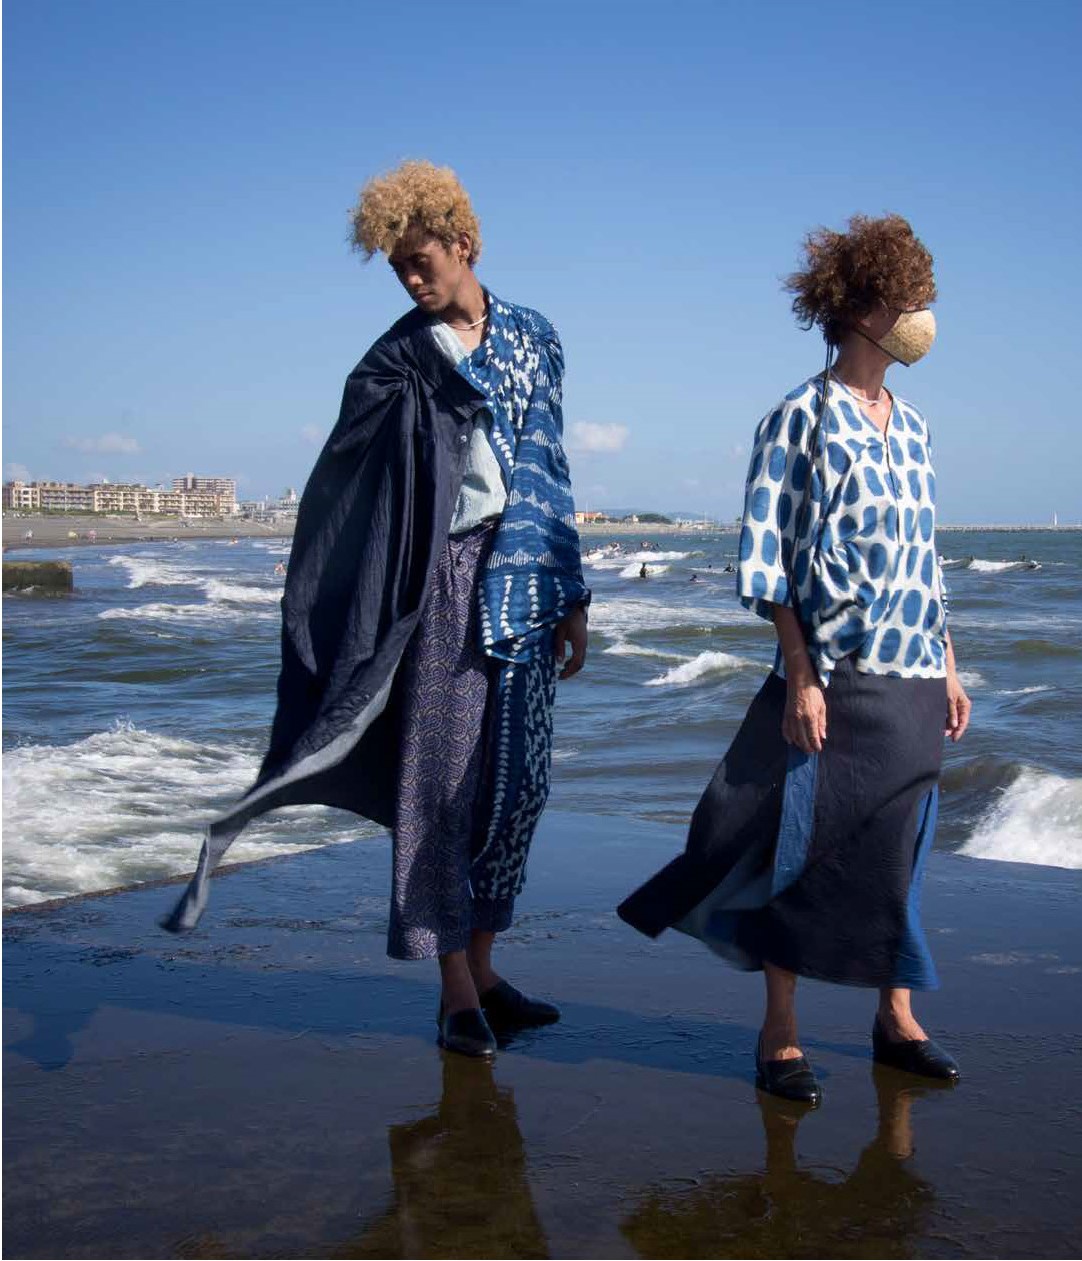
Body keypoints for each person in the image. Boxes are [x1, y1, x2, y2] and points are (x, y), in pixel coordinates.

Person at [164, 160, 590, 1060]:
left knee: (517, 787)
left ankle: (487, 968)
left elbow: (551, 466)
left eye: (419, 261)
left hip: (524, 583)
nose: (409, 279)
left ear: (464, 244)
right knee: (438, 784)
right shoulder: (399, 357)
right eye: (397, 267)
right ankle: (454, 992)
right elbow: (348, 481)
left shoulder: (537, 337)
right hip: (440, 579)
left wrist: (572, 593)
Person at [620, 214, 971, 1104]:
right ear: (861, 307)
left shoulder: (917, 428)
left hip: (914, 668)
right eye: (907, 297)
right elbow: (768, 558)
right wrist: (800, 672)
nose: (920, 314)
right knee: (799, 845)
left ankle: (896, 1015)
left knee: (900, 845)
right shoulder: (797, 418)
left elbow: (924, 554)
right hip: (838, 669)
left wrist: (950, 661)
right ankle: (780, 1027)